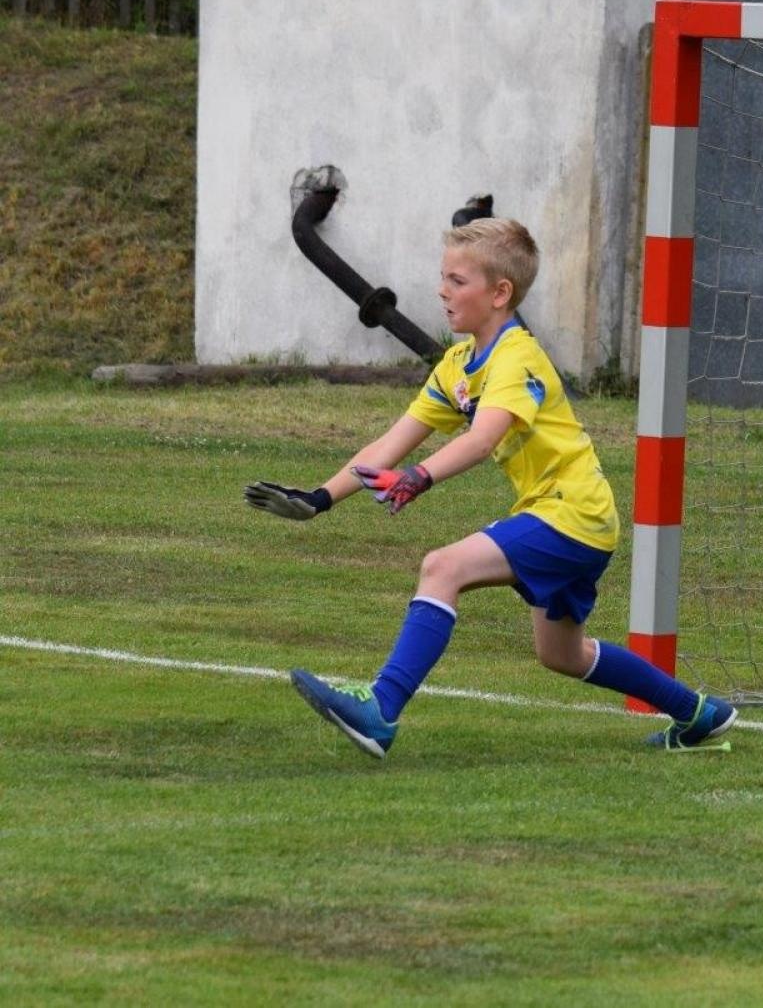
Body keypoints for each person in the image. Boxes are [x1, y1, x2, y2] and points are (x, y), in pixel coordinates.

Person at [244, 217, 736, 757]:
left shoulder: (516, 356)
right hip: (571, 518)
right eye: (443, 277)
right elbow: (390, 443)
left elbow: (482, 439)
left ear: (500, 293)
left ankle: (380, 710)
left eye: (457, 280)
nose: (442, 290)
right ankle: (699, 714)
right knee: (561, 655)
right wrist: (319, 499)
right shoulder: (458, 364)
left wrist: (419, 477)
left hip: (572, 513)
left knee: (443, 567)